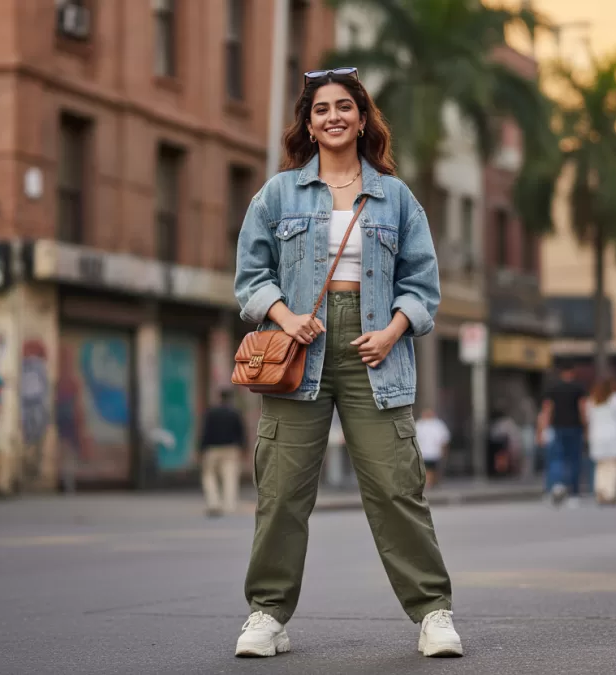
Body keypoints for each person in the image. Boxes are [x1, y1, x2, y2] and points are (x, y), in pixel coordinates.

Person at [233, 67, 461, 658]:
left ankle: (433, 612)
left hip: (375, 353)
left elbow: (424, 285)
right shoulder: (277, 194)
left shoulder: (396, 196)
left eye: (343, 107)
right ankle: (267, 615)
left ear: (362, 119)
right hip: (298, 351)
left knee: (396, 487)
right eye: (320, 110)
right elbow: (250, 277)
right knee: (281, 491)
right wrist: (285, 318)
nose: (332, 117)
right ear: (308, 125)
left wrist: (391, 331)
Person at [537, 365, 587, 507]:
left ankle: (556, 485)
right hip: (574, 427)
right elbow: (582, 408)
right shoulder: (578, 388)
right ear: (572, 373)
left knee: (557, 458)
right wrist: (586, 427)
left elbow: (547, 409)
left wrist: (543, 429)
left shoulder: (553, 388)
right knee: (574, 460)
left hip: (557, 427)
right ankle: (574, 493)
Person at [197, 389, 246, 517]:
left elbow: (205, 432)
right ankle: (229, 505)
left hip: (212, 449)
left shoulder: (211, 412)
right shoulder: (235, 413)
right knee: (230, 477)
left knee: (209, 476)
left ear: (219, 397)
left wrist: (201, 449)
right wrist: (243, 448)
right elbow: (241, 433)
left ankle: (213, 503)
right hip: (231, 449)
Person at [586, 378, 616, 505]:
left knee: (601, 466)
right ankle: (610, 492)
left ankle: (600, 489)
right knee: (612, 466)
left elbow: (588, 418)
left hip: (597, 437)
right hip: (613, 437)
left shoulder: (593, 399)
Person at [416, 408, 450, 488]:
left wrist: (444, 450)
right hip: (423, 452)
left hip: (435, 452)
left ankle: (433, 482)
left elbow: (444, 438)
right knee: (426, 468)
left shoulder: (438, 424)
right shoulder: (419, 424)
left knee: (434, 468)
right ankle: (428, 482)